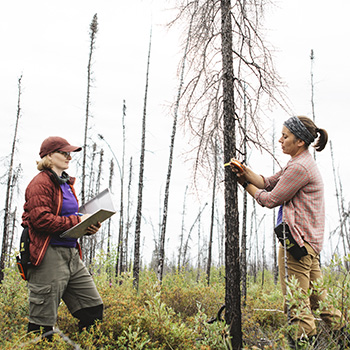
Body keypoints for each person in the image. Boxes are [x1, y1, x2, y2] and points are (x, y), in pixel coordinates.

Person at [229, 116, 347, 348]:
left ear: (300, 141)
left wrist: (243, 184)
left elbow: (270, 198)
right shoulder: (298, 163)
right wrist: (245, 171)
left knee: (297, 304)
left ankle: (304, 344)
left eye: (285, 136)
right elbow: (268, 181)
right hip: (308, 244)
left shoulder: (300, 167)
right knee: (320, 301)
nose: (280, 140)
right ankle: (345, 339)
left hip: (296, 244)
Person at [22, 136, 103, 338]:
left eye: (70, 153)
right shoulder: (39, 183)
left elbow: (67, 217)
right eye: (64, 153)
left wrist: (87, 226)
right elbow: (40, 220)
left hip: (72, 254)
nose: (69, 157)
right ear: (49, 155)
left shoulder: (66, 184)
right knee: (42, 324)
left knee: (92, 309)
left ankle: (87, 343)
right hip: (48, 255)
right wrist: (78, 222)